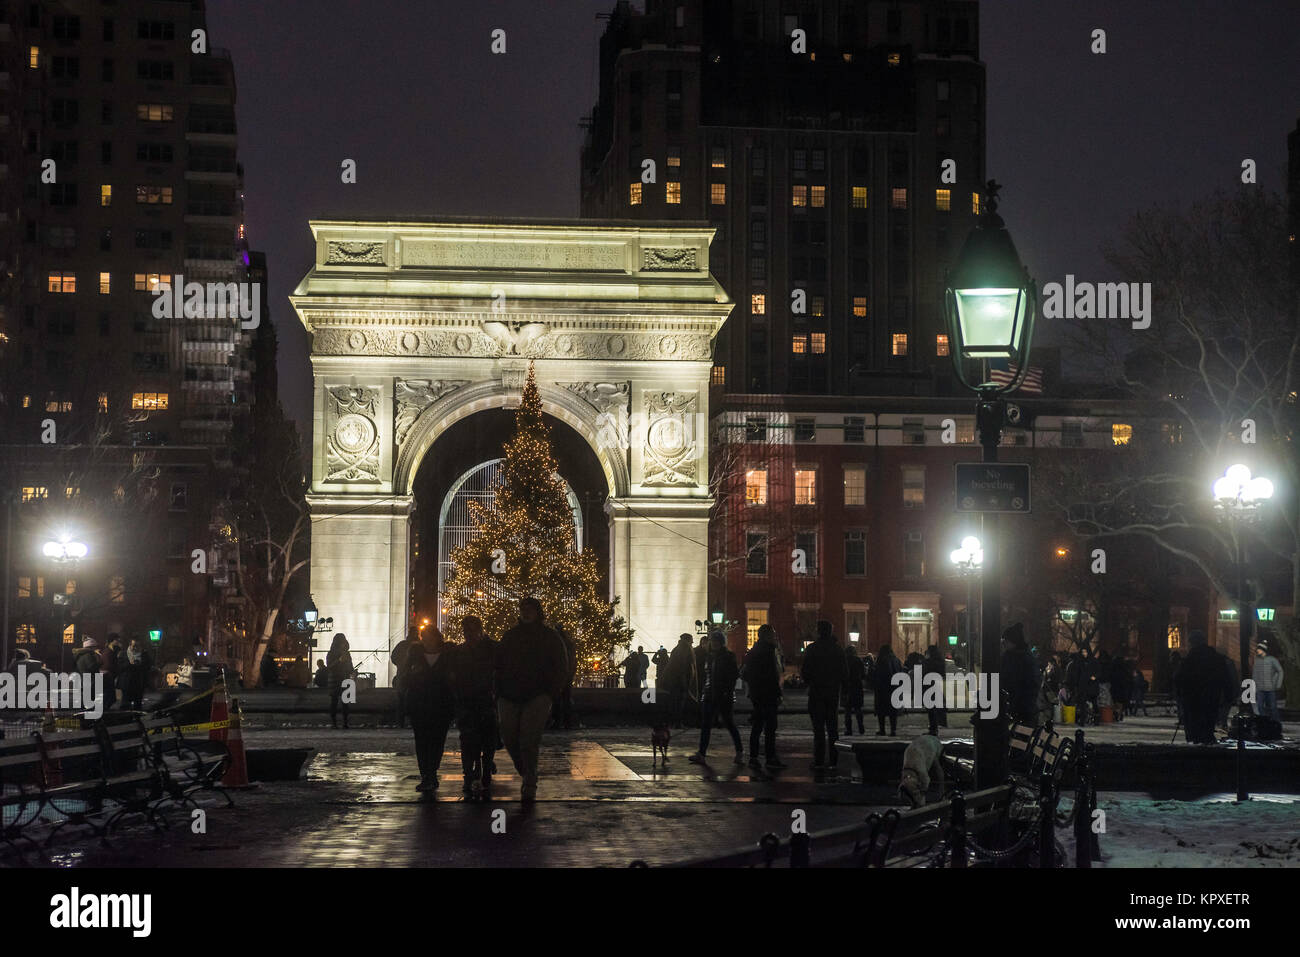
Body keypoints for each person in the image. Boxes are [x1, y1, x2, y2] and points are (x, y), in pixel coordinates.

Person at [496, 597, 568, 802]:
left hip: (538, 695)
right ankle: (527, 771)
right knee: (509, 737)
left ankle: (529, 779)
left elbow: (561, 666)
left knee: (529, 738)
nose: (526, 613)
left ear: (538, 612)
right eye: (523, 609)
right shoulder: (510, 636)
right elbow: (499, 665)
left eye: (530, 609)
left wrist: (551, 693)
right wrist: (499, 691)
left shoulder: (550, 637)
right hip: (509, 694)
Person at [445, 615, 499, 794]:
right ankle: (477, 771)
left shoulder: (462, 651)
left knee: (472, 740)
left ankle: (471, 773)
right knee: (481, 739)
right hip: (478, 700)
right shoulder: (490, 649)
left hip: (472, 700)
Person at [402, 626, 454, 791]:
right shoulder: (415, 655)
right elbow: (405, 676)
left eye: (429, 636)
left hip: (441, 705)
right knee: (422, 741)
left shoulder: (448, 655)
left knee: (437, 741)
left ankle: (431, 772)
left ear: (437, 638)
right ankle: (427, 774)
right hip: (420, 704)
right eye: (424, 636)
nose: (426, 640)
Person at [689, 631, 743, 764]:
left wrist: (725, 692)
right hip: (709, 695)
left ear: (722, 643)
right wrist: (705, 692)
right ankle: (701, 753)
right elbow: (707, 676)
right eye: (712, 641)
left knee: (729, 723)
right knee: (706, 724)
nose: (714, 644)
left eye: (716, 641)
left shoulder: (728, 656)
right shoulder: (709, 657)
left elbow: (732, 676)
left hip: (723, 696)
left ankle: (740, 751)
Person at [801, 620, 847, 771]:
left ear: (818, 632)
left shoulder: (812, 649)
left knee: (818, 730)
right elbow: (844, 673)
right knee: (833, 729)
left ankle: (819, 760)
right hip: (832, 693)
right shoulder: (838, 650)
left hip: (816, 693)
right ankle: (834, 760)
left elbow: (805, 673)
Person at [742, 623, 785, 769]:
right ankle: (770, 757)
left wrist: (754, 687)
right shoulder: (768, 651)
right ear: (767, 636)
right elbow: (772, 675)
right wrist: (778, 693)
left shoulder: (754, 651)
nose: (775, 636)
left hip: (757, 694)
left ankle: (754, 757)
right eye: (773, 634)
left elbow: (745, 673)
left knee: (757, 726)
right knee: (770, 728)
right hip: (768, 694)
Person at [1175, 630, 1228, 745]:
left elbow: (1180, 678)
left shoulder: (1189, 659)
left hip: (1193, 696)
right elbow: (1224, 677)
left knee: (1195, 722)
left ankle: (1197, 742)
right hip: (1211, 695)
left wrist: (1179, 692)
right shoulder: (1216, 658)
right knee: (1208, 720)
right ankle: (1207, 739)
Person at [998, 624, 1038, 724]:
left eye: (1005, 641)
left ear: (1013, 642)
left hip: (1018, 707)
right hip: (1023, 708)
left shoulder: (1013, 658)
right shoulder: (1027, 658)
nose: (1003, 644)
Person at [667, 633, 698, 729]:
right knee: (679, 702)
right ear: (688, 640)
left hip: (676, 680)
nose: (692, 643)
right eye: (691, 641)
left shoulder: (677, 649)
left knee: (676, 702)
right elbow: (684, 667)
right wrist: (685, 682)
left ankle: (676, 722)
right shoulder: (685, 649)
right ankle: (678, 722)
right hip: (681, 681)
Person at [391, 629, 419, 729]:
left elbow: (393, 657)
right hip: (415, 675)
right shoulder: (419, 645)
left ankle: (401, 722)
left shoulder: (402, 645)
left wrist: (400, 664)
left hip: (403, 674)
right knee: (414, 699)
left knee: (401, 699)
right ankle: (413, 721)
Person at [872, 643, 903, 736]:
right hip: (894, 688)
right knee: (893, 712)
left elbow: (878, 674)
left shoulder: (881, 660)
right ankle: (893, 730)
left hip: (883, 688)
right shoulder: (897, 660)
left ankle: (882, 730)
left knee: (881, 711)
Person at [1253, 634, 1284, 723]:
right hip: (1260, 688)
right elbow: (1255, 674)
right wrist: (1255, 685)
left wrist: (1277, 684)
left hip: (1270, 688)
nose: (1257, 651)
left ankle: (1276, 723)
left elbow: (1280, 671)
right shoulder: (1257, 661)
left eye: (1258, 649)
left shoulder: (1272, 660)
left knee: (1273, 707)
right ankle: (1265, 723)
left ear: (1263, 650)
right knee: (1260, 707)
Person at [326, 633, 354, 729]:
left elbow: (350, 666)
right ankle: (336, 723)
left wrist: (353, 671)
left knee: (344, 703)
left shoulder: (345, 653)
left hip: (342, 679)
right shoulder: (332, 653)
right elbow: (329, 667)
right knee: (335, 702)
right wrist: (339, 661)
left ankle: (344, 722)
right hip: (337, 680)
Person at [552, 626, 578, 730]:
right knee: (566, 700)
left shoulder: (557, 644)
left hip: (560, 676)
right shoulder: (569, 644)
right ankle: (568, 722)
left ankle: (558, 722)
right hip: (567, 676)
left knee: (557, 700)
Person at [119, 637, 152, 712]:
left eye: (138, 646)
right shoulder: (123, 654)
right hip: (127, 682)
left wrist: (140, 664)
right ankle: (124, 719)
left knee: (138, 704)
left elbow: (148, 667)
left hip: (139, 682)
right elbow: (119, 667)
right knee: (125, 704)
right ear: (130, 645)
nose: (135, 648)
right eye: (134, 645)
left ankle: (137, 719)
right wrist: (130, 664)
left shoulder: (144, 654)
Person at [922, 644, 948, 735]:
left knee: (931, 709)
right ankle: (935, 727)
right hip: (937, 686)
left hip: (929, 686)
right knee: (935, 708)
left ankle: (933, 728)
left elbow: (924, 672)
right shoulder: (940, 661)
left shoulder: (929, 661)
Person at [842, 644, 867, 736]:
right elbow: (863, 674)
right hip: (857, 687)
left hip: (846, 687)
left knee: (847, 711)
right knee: (858, 709)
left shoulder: (844, 660)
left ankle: (849, 729)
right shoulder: (858, 660)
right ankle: (861, 727)